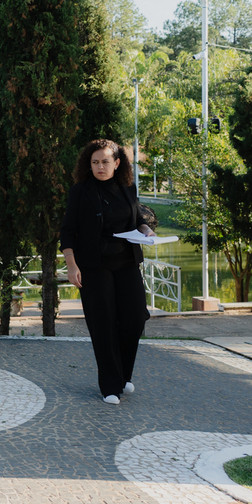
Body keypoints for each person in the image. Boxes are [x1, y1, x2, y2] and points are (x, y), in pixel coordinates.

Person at [60, 139, 156, 404]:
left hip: (126, 262)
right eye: (95, 162)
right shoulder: (81, 191)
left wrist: (146, 231)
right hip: (94, 265)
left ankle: (123, 375)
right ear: (88, 165)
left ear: (117, 163)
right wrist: (71, 264)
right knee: (103, 324)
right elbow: (68, 230)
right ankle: (110, 386)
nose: (100, 166)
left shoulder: (127, 187)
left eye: (105, 161)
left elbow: (137, 220)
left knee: (136, 317)